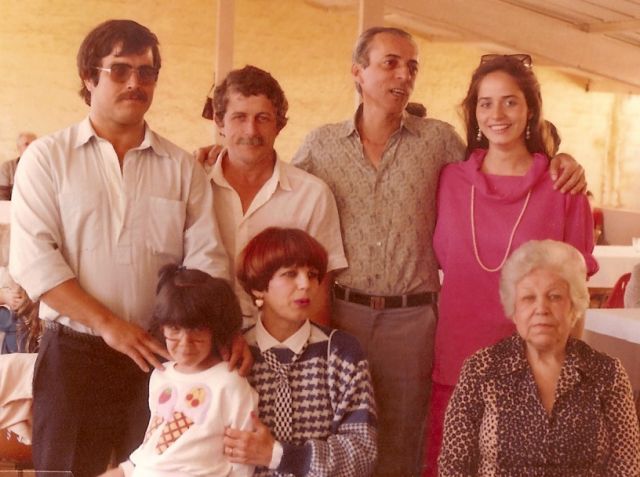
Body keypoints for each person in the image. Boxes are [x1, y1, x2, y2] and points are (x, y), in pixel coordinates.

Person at [291, 27, 586, 477]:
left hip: (414, 323)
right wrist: (223, 157)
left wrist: (562, 159)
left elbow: (503, 155)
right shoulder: (320, 145)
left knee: (405, 447)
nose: (403, 75)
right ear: (357, 72)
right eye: (390, 63)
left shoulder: (439, 143)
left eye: (412, 66)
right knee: (335, 437)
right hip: (342, 313)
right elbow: (282, 189)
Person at [9, 19, 230, 477]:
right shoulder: (47, 160)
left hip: (159, 356)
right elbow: (34, 262)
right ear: (89, 77)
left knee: (160, 471)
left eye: (146, 72)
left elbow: (206, 262)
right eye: (120, 70)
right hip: (73, 356)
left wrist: (218, 334)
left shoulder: (181, 169)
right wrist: (108, 325)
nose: (135, 83)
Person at [423, 54, 599, 476]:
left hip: (533, 370)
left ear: (530, 110)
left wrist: (567, 375)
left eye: (510, 102)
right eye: (485, 103)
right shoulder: (449, 180)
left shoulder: (562, 187)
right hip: (457, 363)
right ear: (474, 112)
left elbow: (577, 295)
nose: (497, 115)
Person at [439, 239, 640, 476]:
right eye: (528, 298)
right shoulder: (481, 370)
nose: (541, 308)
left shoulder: (608, 374)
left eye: (554, 297)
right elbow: (454, 466)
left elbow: (627, 466)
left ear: (573, 308)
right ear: (514, 310)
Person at [223, 227, 377, 477]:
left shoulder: (341, 352)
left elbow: (362, 453)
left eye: (312, 275)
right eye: (290, 274)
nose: (306, 285)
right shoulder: (233, 354)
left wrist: (277, 455)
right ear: (258, 288)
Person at [208, 65, 346, 326]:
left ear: (279, 126)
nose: (251, 131)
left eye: (262, 118)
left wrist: (310, 350)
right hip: (206, 338)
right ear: (219, 122)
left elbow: (318, 293)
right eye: (239, 117)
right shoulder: (194, 186)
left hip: (284, 339)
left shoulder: (312, 195)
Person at [100, 264, 258, 477]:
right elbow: (155, 443)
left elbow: (243, 461)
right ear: (162, 327)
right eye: (175, 329)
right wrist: (126, 470)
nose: (185, 343)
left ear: (216, 329)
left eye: (197, 329)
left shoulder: (229, 382)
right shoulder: (160, 375)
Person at [0, 132, 36, 200]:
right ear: (18, 148)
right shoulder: (7, 167)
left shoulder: (44, 167)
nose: (31, 146)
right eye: (26, 144)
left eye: (34, 144)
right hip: (12, 205)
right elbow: (2, 196)